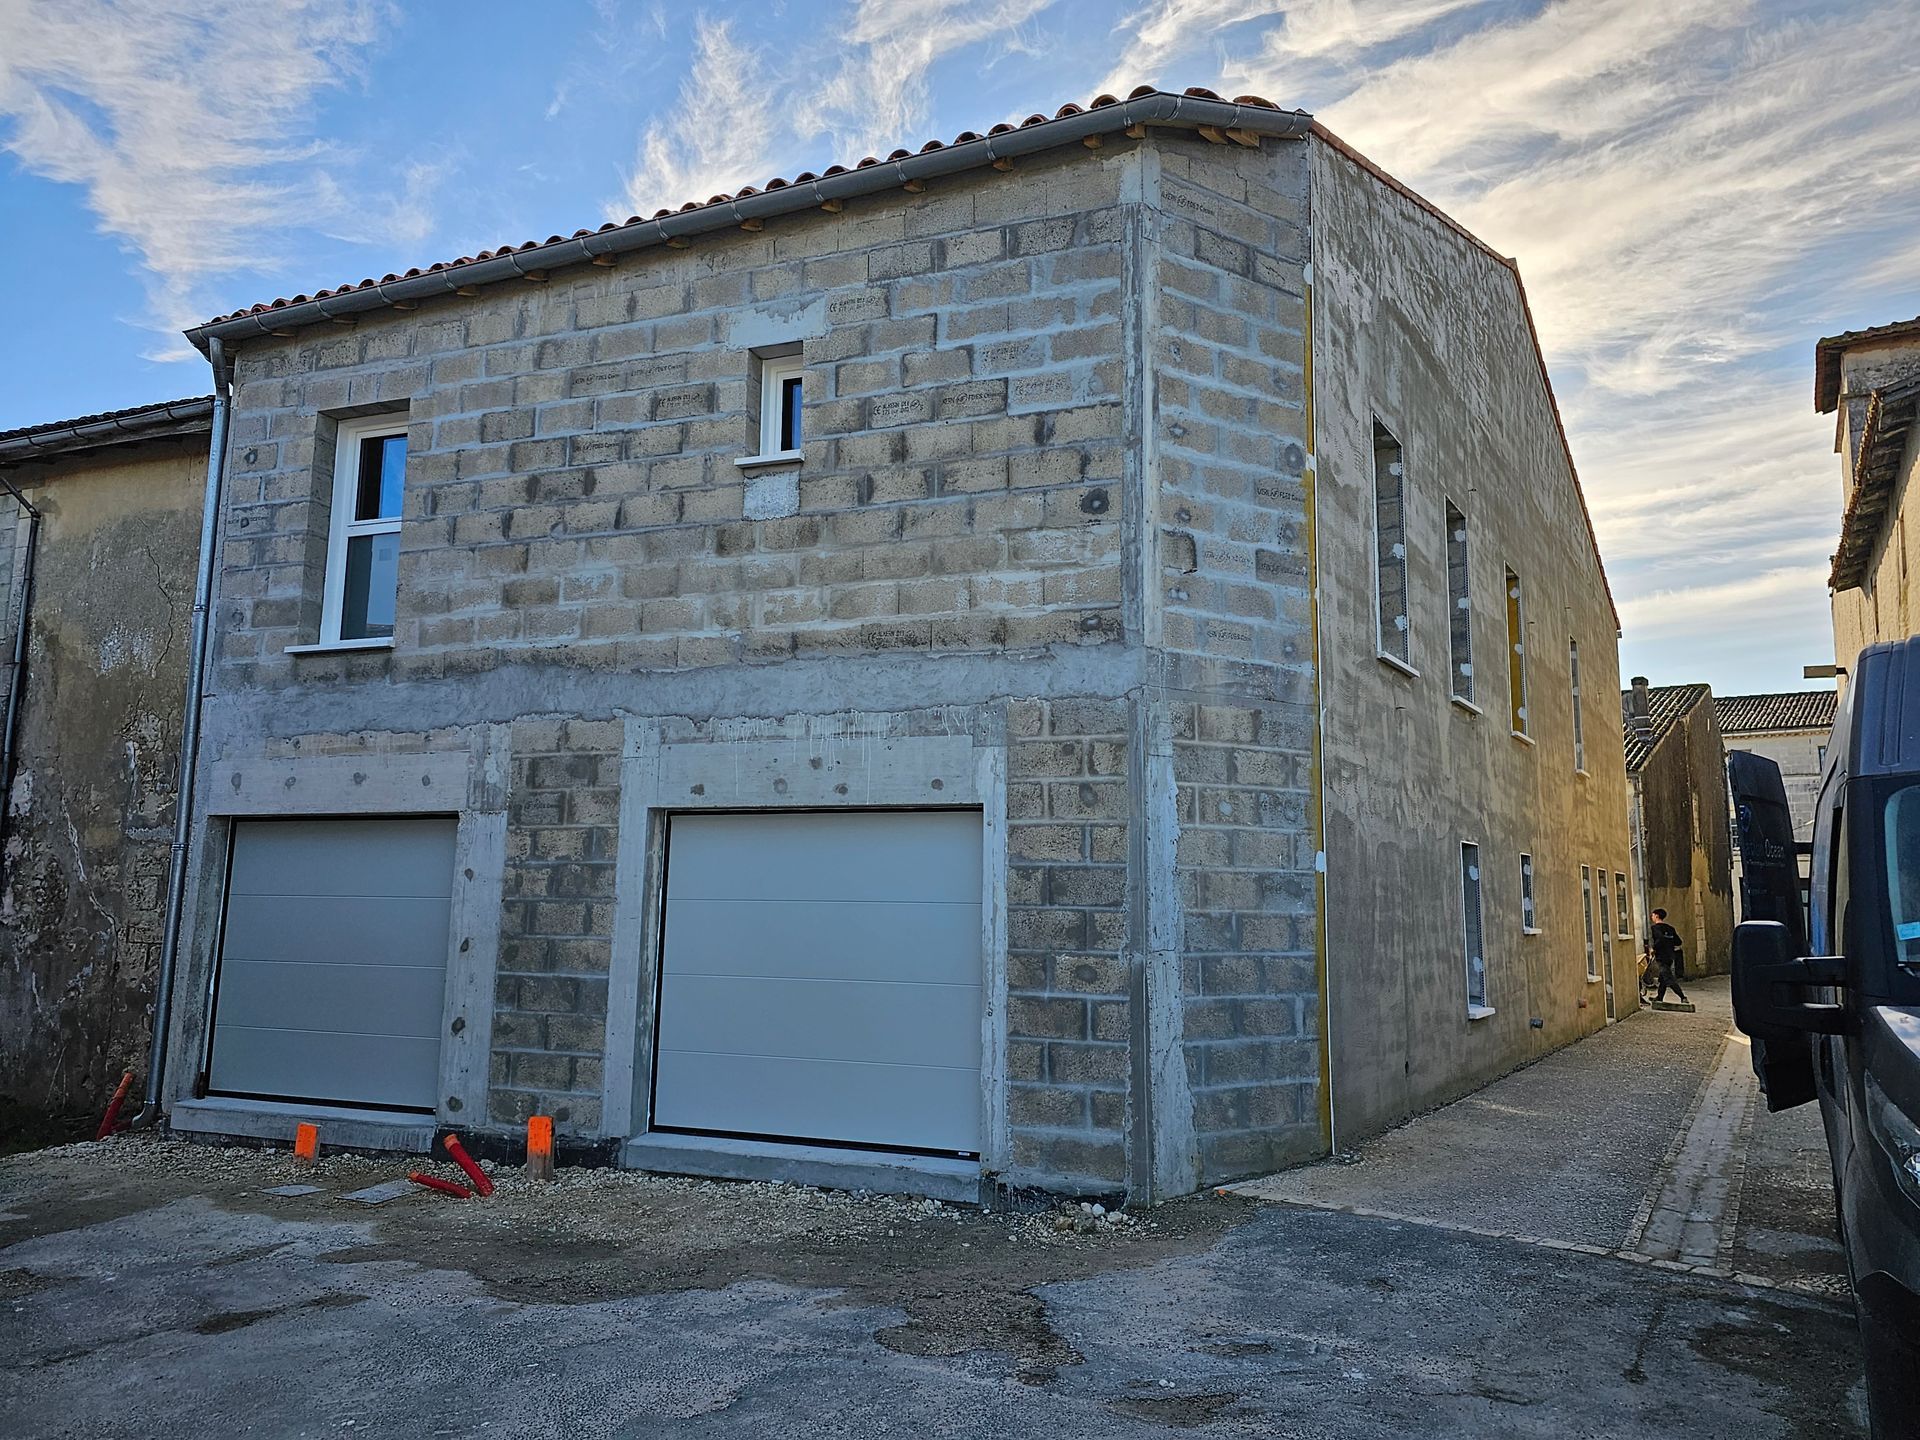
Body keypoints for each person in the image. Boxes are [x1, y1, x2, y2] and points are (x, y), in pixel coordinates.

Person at [1648, 908, 1688, 1003]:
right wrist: (1669, 943)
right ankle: (1659, 997)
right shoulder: (1670, 928)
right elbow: (1678, 942)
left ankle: (1683, 997)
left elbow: (1660, 939)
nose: (1652, 917)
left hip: (1661, 956)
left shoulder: (1655, 928)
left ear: (1656, 916)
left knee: (1668, 978)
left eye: (1653, 915)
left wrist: (1654, 948)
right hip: (1670, 956)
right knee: (1662, 979)